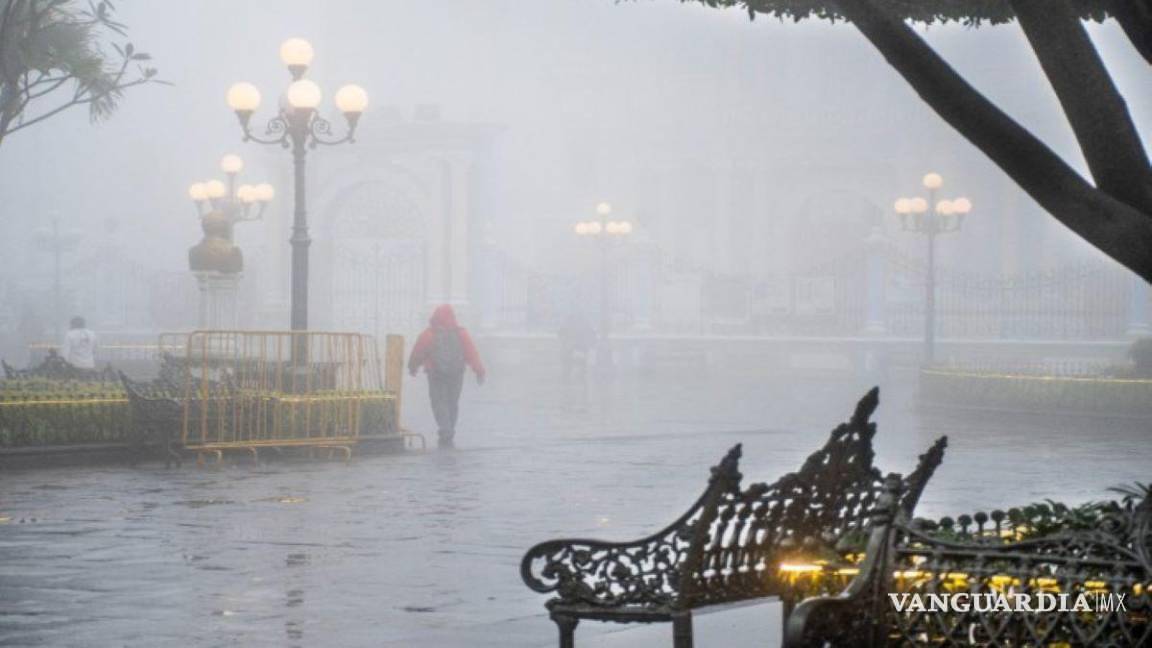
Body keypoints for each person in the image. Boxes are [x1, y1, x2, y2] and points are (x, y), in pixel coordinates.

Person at [408, 305, 485, 448]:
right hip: (456, 373)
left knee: (439, 402)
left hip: (435, 374)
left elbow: (418, 352)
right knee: (452, 402)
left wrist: (413, 367)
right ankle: (450, 429)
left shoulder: (429, 334)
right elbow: (472, 353)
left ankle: (445, 429)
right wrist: (479, 371)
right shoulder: (461, 334)